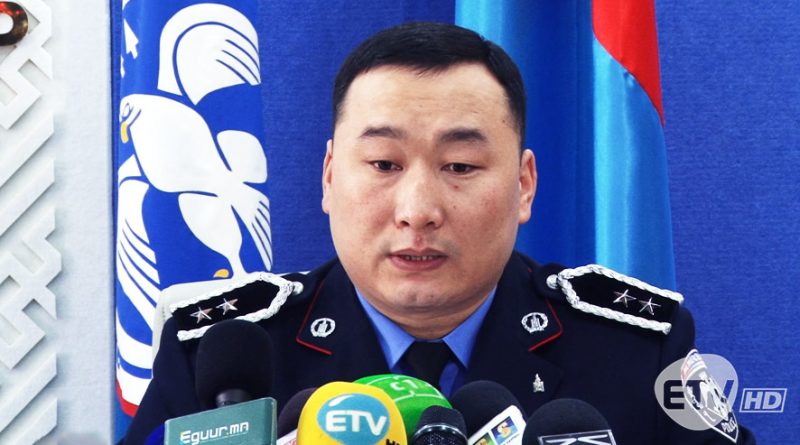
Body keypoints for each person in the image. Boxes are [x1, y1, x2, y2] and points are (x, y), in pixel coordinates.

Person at [123, 22, 755, 444]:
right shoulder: (222, 358)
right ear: (329, 177)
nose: (418, 210)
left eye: (460, 166)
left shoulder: (638, 350)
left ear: (524, 185)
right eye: (383, 164)